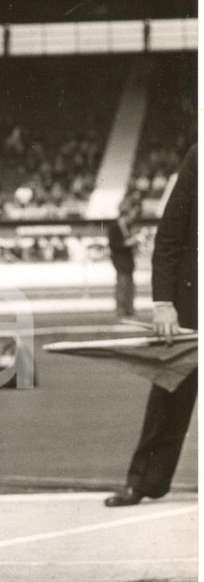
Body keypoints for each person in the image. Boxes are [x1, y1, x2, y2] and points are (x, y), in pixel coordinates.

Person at [106, 145, 197, 507]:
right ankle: (144, 481)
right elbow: (170, 237)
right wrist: (163, 305)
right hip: (194, 305)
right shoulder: (199, 157)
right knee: (170, 395)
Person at [107, 195, 141, 318]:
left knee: (130, 286)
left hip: (129, 261)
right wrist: (128, 243)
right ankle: (121, 309)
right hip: (120, 261)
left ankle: (129, 308)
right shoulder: (115, 227)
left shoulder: (128, 227)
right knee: (122, 286)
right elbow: (113, 244)